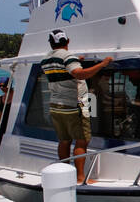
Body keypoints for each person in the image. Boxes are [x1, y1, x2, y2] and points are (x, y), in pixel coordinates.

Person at [42, 30, 112, 184]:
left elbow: (62, 71)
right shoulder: (68, 57)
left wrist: (75, 61)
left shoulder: (46, 59)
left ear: (51, 43)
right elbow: (79, 74)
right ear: (68, 41)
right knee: (81, 141)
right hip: (75, 105)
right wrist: (103, 64)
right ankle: (80, 178)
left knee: (64, 140)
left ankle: (64, 175)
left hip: (55, 106)